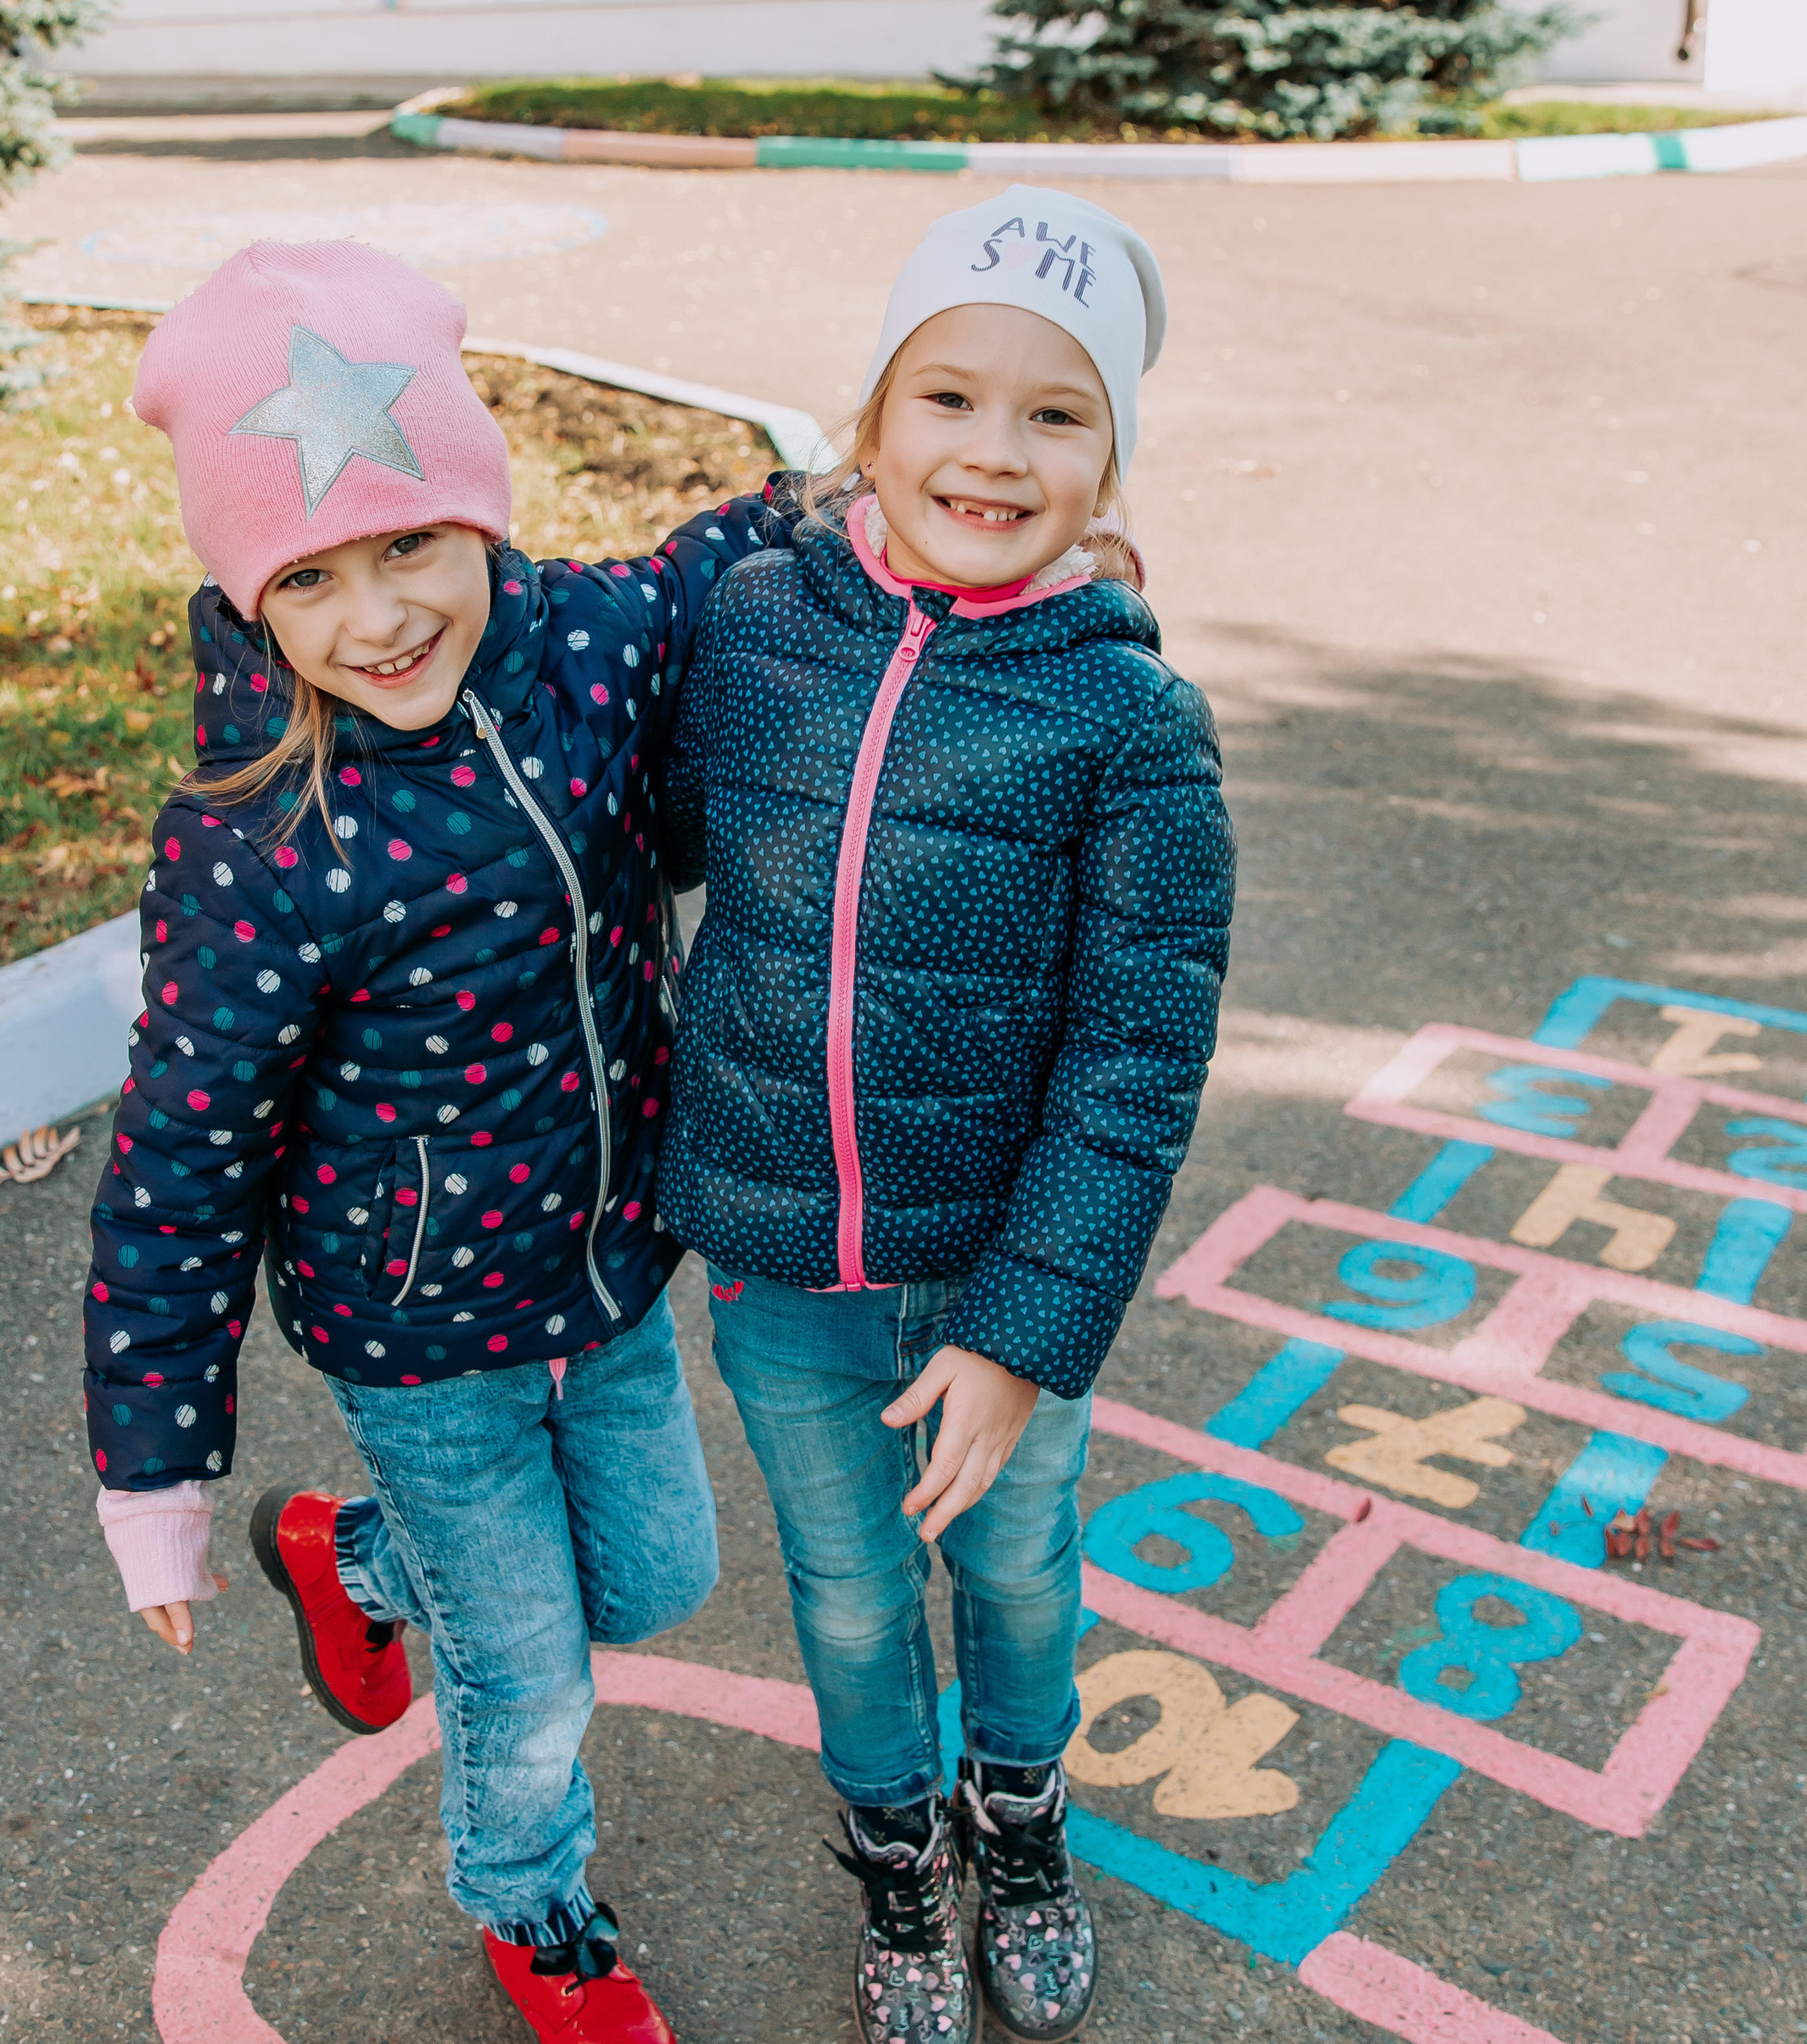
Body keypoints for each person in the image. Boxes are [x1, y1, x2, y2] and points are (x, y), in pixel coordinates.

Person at [85, 240, 780, 2044]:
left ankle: (349, 1558)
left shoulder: (587, 650)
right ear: (247, 596)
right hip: (417, 1329)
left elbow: (720, 557)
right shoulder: (257, 838)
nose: (378, 612)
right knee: (529, 1668)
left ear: (483, 516)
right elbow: (178, 1162)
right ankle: (533, 1902)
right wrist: (155, 1472)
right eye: (308, 574)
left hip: (612, 1258)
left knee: (660, 1576)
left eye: (411, 542)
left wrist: (890, 501)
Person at [662, 186, 1235, 2044]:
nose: (992, 451)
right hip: (784, 1277)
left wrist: (1018, 1331)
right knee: (841, 1595)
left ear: (1107, 461)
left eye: (1055, 414)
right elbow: (632, 841)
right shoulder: (752, 628)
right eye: (950, 397)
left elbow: (1133, 1061)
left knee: (1013, 1569)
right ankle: (895, 1853)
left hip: (994, 1291)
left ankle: (1019, 1810)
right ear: (871, 418)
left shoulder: (1127, 721)